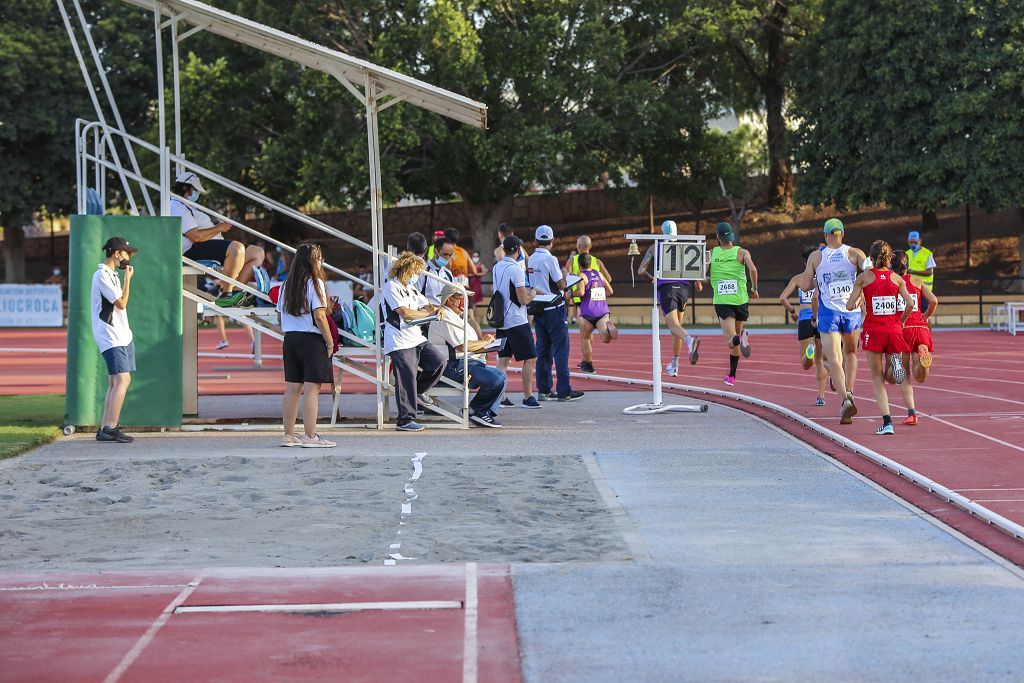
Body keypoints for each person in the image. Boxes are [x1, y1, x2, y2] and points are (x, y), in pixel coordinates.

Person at [797, 218, 869, 425]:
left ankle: (844, 400)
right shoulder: (855, 253)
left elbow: (804, 286)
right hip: (851, 311)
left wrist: (820, 278)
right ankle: (850, 390)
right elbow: (869, 272)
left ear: (826, 235)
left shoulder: (816, 256)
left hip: (828, 313)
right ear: (843, 234)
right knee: (851, 353)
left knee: (834, 358)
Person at [846, 240, 914, 435]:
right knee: (891, 376)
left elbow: (850, 305)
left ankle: (887, 422)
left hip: (873, 331)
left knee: (878, 379)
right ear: (890, 258)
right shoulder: (897, 278)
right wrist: (900, 321)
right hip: (894, 330)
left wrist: (858, 301)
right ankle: (895, 364)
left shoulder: (864, 277)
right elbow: (909, 303)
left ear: (871, 259)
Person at [170, 171, 265, 307]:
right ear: (185, 188)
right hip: (192, 249)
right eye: (195, 190)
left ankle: (236, 293)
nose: (197, 194)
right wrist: (218, 228)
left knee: (257, 253)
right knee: (236, 248)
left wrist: (216, 228)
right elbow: (195, 236)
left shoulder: (187, 206)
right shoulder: (177, 206)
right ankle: (227, 294)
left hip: (206, 244)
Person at [277, 243, 336, 448]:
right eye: (319, 258)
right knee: (312, 389)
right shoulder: (315, 282)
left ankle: (289, 434)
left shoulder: (286, 284)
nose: (321, 262)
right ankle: (310, 436)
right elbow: (320, 316)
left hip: (290, 338)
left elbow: (279, 315)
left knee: (292, 388)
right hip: (311, 340)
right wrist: (329, 341)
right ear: (312, 261)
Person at [381, 252, 447, 431]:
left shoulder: (411, 288)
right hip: (400, 340)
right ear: (404, 270)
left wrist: (436, 309)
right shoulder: (391, 287)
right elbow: (405, 313)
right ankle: (405, 419)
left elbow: (426, 304)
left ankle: (416, 391)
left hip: (416, 337)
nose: (416, 277)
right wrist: (428, 314)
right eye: (414, 273)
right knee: (406, 378)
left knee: (439, 362)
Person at [428, 282, 506, 427]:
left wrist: (485, 345)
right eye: (461, 297)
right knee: (494, 381)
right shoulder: (445, 318)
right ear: (450, 300)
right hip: (451, 367)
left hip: (464, 362)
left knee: (501, 376)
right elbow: (463, 346)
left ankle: (481, 412)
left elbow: (468, 345)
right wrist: (485, 342)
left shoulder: (456, 317)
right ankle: (477, 410)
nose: (466, 301)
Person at [637, 220, 702, 375]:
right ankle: (674, 364)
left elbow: (640, 271)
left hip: (667, 288)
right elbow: (693, 268)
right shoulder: (684, 248)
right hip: (683, 289)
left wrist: (652, 279)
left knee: (673, 327)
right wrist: (698, 282)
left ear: (662, 233)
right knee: (677, 327)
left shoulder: (654, 248)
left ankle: (690, 341)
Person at [91, 237, 139, 443]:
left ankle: (105, 427)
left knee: (115, 381)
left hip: (121, 334)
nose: (128, 257)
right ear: (117, 253)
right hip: (111, 335)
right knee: (122, 379)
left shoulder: (111, 275)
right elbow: (121, 303)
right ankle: (110, 427)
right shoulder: (102, 274)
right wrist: (129, 279)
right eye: (127, 253)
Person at [529, 225, 584, 401]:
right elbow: (561, 285)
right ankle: (564, 390)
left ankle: (543, 390)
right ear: (552, 242)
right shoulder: (550, 259)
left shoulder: (531, 259)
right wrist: (567, 275)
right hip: (554, 308)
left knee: (542, 350)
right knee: (560, 350)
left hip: (538, 308)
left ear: (536, 241)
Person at [493, 235, 542, 408]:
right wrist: (533, 293)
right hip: (516, 320)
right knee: (530, 358)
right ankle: (528, 397)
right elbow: (523, 299)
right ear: (518, 250)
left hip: (501, 320)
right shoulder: (516, 270)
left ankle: (501, 396)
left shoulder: (497, 267)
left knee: (503, 359)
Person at [891, 250, 938, 425]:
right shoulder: (917, 281)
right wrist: (925, 317)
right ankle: (923, 357)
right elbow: (934, 301)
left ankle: (911, 413)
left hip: (903, 328)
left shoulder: (893, 282)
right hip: (921, 327)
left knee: (903, 373)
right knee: (921, 376)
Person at [709, 222, 757, 387]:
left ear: (718, 237)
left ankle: (741, 338)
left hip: (723, 302)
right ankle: (732, 376)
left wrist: (700, 282)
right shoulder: (742, 252)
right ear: (731, 236)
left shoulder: (711, 253)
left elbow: (699, 271)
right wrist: (755, 289)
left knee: (731, 340)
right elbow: (753, 269)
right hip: (741, 301)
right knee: (735, 339)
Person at [779, 246, 828, 406]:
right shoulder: (822, 277)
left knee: (806, 364)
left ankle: (809, 353)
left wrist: (793, 312)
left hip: (805, 319)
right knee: (821, 361)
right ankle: (821, 396)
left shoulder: (798, 279)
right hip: (821, 319)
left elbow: (783, 298)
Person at [576, 253, 619, 373]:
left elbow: (580, 292)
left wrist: (570, 294)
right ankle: (608, 330)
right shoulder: (598, 273)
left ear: (579, 264)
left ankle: (588, 366)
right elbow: (610, 290)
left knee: (585, 339)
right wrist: (598, 297)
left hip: (588, 312)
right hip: (602, 311)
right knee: (605, 338)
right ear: (590, 263)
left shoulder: (582, 275)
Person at [423, 238, 455, 305]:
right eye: (445, 254)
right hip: (427, 313)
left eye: (450, 255)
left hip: (444, 312)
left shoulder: (448, 274)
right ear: (435, 251)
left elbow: (450, 297)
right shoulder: (423, 272)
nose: (448, 258)